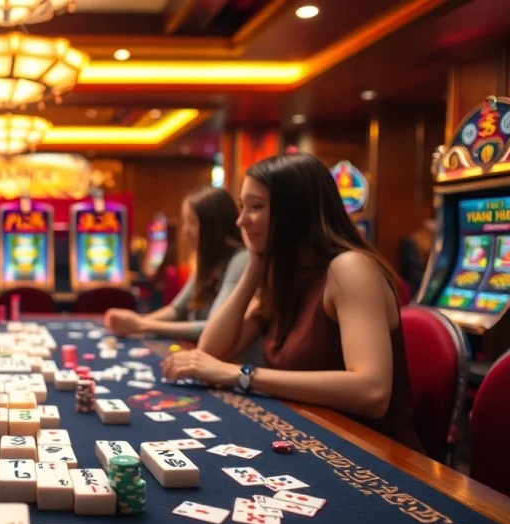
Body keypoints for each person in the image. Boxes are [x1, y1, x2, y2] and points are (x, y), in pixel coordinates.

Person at [162, 153, 423, 452]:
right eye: (242, 207)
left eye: (256, 207)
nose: (241, 221)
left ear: (295, 212)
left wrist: (242, 375)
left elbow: (372, 392)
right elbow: (211, 350)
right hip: (311, 436)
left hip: (373, 456)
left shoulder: (350, 269)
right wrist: (254, 267)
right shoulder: (282, 275)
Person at [105, 187, 249, 342]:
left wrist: (141, 325)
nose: (185, 230)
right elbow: (176, 310)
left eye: (193, 222)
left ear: (214, 226)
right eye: (185, 222)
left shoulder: (241, 258)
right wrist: (135, 323)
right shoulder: (207, 261)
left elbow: (212, 329)